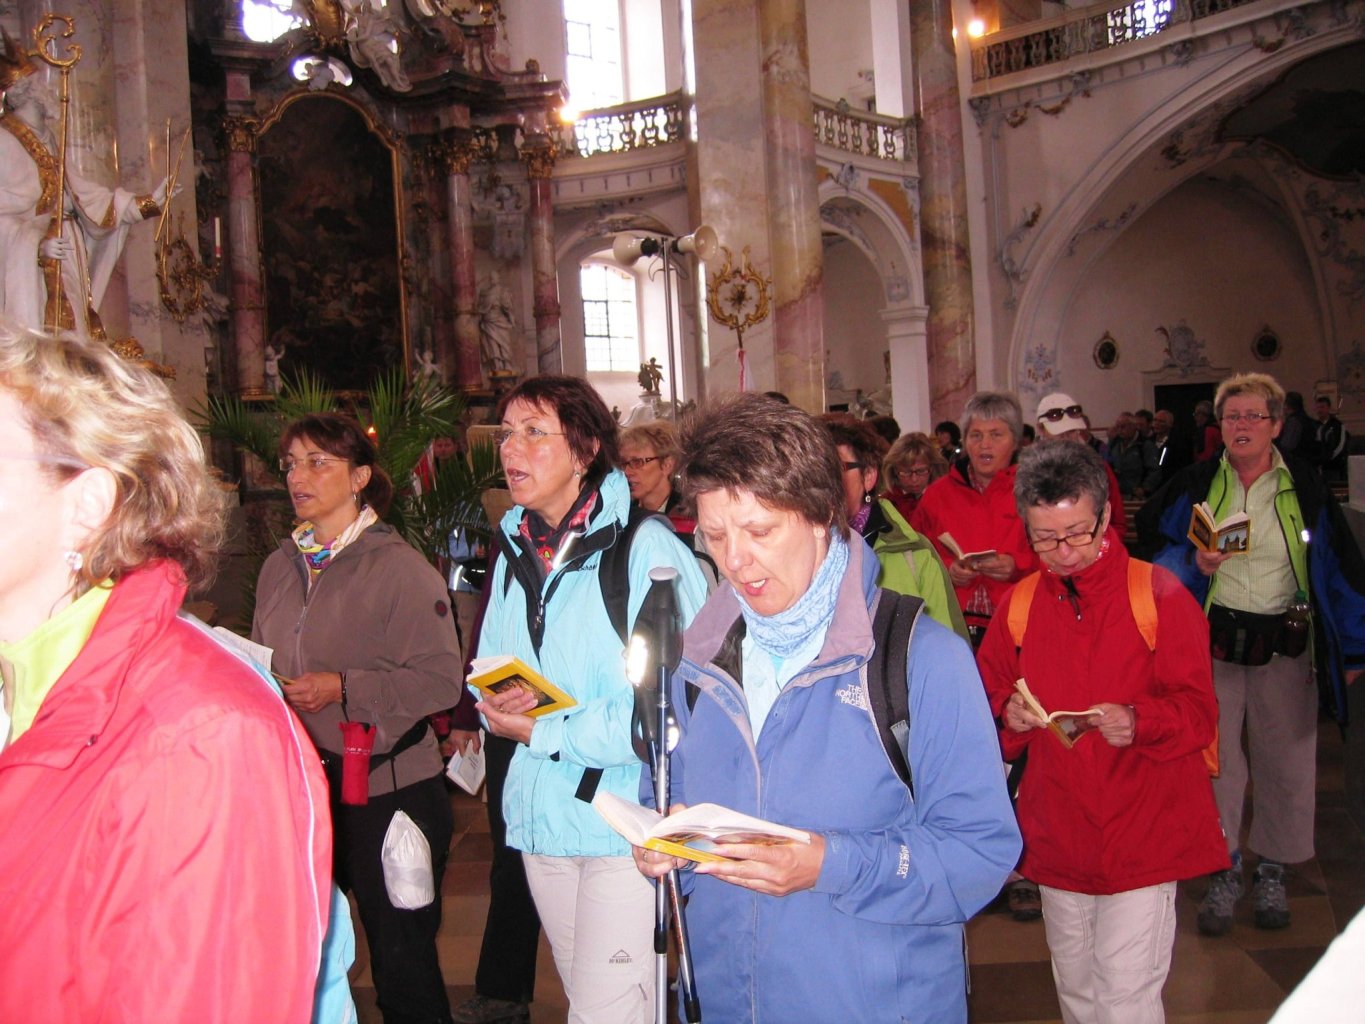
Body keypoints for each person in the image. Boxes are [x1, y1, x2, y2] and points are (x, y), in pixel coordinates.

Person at [631, 393, 1020, 1022]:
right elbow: (665, 795)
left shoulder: (920, 660)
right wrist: (669, 850)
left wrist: (830, 865)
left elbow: (978, 854)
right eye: (716, 536)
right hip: (725, 1001)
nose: (735, 561)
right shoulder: (699, 661)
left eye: (760, 531)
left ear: (820, 516)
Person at [0, 325, 335, 1021]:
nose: (297, 477)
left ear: (87, 505)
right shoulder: (27, 682)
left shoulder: (199, 738)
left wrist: (345, 685)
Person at [473, 375, 708, 1024]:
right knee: (593, 1000)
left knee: (607, 1012)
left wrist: (543, 729)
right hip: (542, 816)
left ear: (584, 450)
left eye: (533, 432)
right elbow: (489, 667)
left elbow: (674, 705)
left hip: (624, 823)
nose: (510, 449)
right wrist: (499, 700)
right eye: (506, 434)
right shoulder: (516, 546)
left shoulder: (645, 547)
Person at [978, 441, 1227, 1024]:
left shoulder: (1159, 596)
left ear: (1107, 516)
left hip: (1143, 827)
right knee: (1078, 994)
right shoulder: (1020, 606)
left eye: (1076, 533)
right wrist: (1007, 714)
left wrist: (1138, 721)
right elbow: (985, 703)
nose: (1063, 552)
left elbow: (1198, 715)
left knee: (1124, 1000)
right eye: (1044, 538)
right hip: (1059, 830)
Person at [253, 412, 464, 1024]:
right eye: (291, 464)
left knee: (402, 961)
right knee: (309, 952)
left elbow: (440, 681)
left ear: (359, 477)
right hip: (307, 790)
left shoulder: (399, 569)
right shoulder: (279, 566)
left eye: (318, 463)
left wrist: (343, 686)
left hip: (388, 789)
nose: (298, 477)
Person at [1138, 373, 1365, 938]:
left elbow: (1339, 570)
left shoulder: (1304, 487)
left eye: (1253, 416)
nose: (1241, 426)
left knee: (1286, 761)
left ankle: (1273, 869)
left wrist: (1356, 648)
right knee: (1216, 764)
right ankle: (1224, 865)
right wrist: (1194, 564)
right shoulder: (1194, 482)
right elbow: (1150, 555)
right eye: (1231, 416)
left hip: (1284, 644)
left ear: (1277, 425)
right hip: (1210, 644)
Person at [0, 42, 176, 341]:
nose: (48, 90)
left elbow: (86, 196)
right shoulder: (4, 141)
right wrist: (35, 246)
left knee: (76, 335)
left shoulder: (50, 140)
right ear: (23, 91)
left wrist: (145, 204)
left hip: (67, 247)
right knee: (44, 340)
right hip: (31, 261)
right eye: (39, 83)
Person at [822, 413, 968, 640]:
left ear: (868, 476)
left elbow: (947, 646)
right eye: (815, 468)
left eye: (837, 467)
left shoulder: (914, 554)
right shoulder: (790, 554)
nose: (823, 480)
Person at [912, 391, 1036, 647]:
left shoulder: (1036, 491)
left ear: (1015, 441)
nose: (985, 445)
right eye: (976, 435)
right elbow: (915, 554)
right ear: (965, 441)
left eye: (996, 435)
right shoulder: (937, 495)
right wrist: (948, 569)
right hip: (951, 624)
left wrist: (1017, 566)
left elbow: (1060, 554)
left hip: (1020, 621)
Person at [1035, 393, 1127, 539]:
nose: (1066, 437)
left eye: (1071, 431)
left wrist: (1100, 547)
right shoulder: (1026, 474)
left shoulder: (1098, 468)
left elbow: (1117, 523)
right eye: (1059, 432)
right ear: (1041, 429)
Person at [881, 430, 947, 522]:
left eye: (921, 471)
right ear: (894, 470)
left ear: (932, 468)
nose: (914, 479)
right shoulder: (884, 503)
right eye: (906, 472)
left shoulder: (945, 499)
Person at [619, 420, 682, 514]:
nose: (626, 472)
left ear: (667, 465)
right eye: (623, 463)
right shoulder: (621, 512)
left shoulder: (690, 513)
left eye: (637, 462)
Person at [1106, 412, 1161, 498]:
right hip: (1117, 492)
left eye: (1123, 427)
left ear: (1133, 426)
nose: (1120, 430)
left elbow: (1154, 470)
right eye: (1117, 427)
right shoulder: (1114, 444)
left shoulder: (1145, 445)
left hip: (1137, 494)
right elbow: (1106, 464)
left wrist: (1145, 488)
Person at [479, 274, 518, 375]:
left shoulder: (502, 291)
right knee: (492, 345)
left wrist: (512, 320)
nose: (492, 279)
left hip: (500, 321)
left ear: (498, 278)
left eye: (494, 276)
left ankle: (507, 365)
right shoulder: (485, 293)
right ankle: (497, 366)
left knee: (505, 344)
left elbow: (507, 308)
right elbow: (480, 309)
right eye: (491, 277)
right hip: (489, 322)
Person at [1314, 395, 1348, 482]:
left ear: (1328, 408)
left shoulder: (1337, 425)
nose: (1319, 410)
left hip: (1333, 466)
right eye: (1318, 407)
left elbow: (1340, 445)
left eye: (1322, 407)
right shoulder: (1314, 425)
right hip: (1317, 466)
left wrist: (1328, 458)